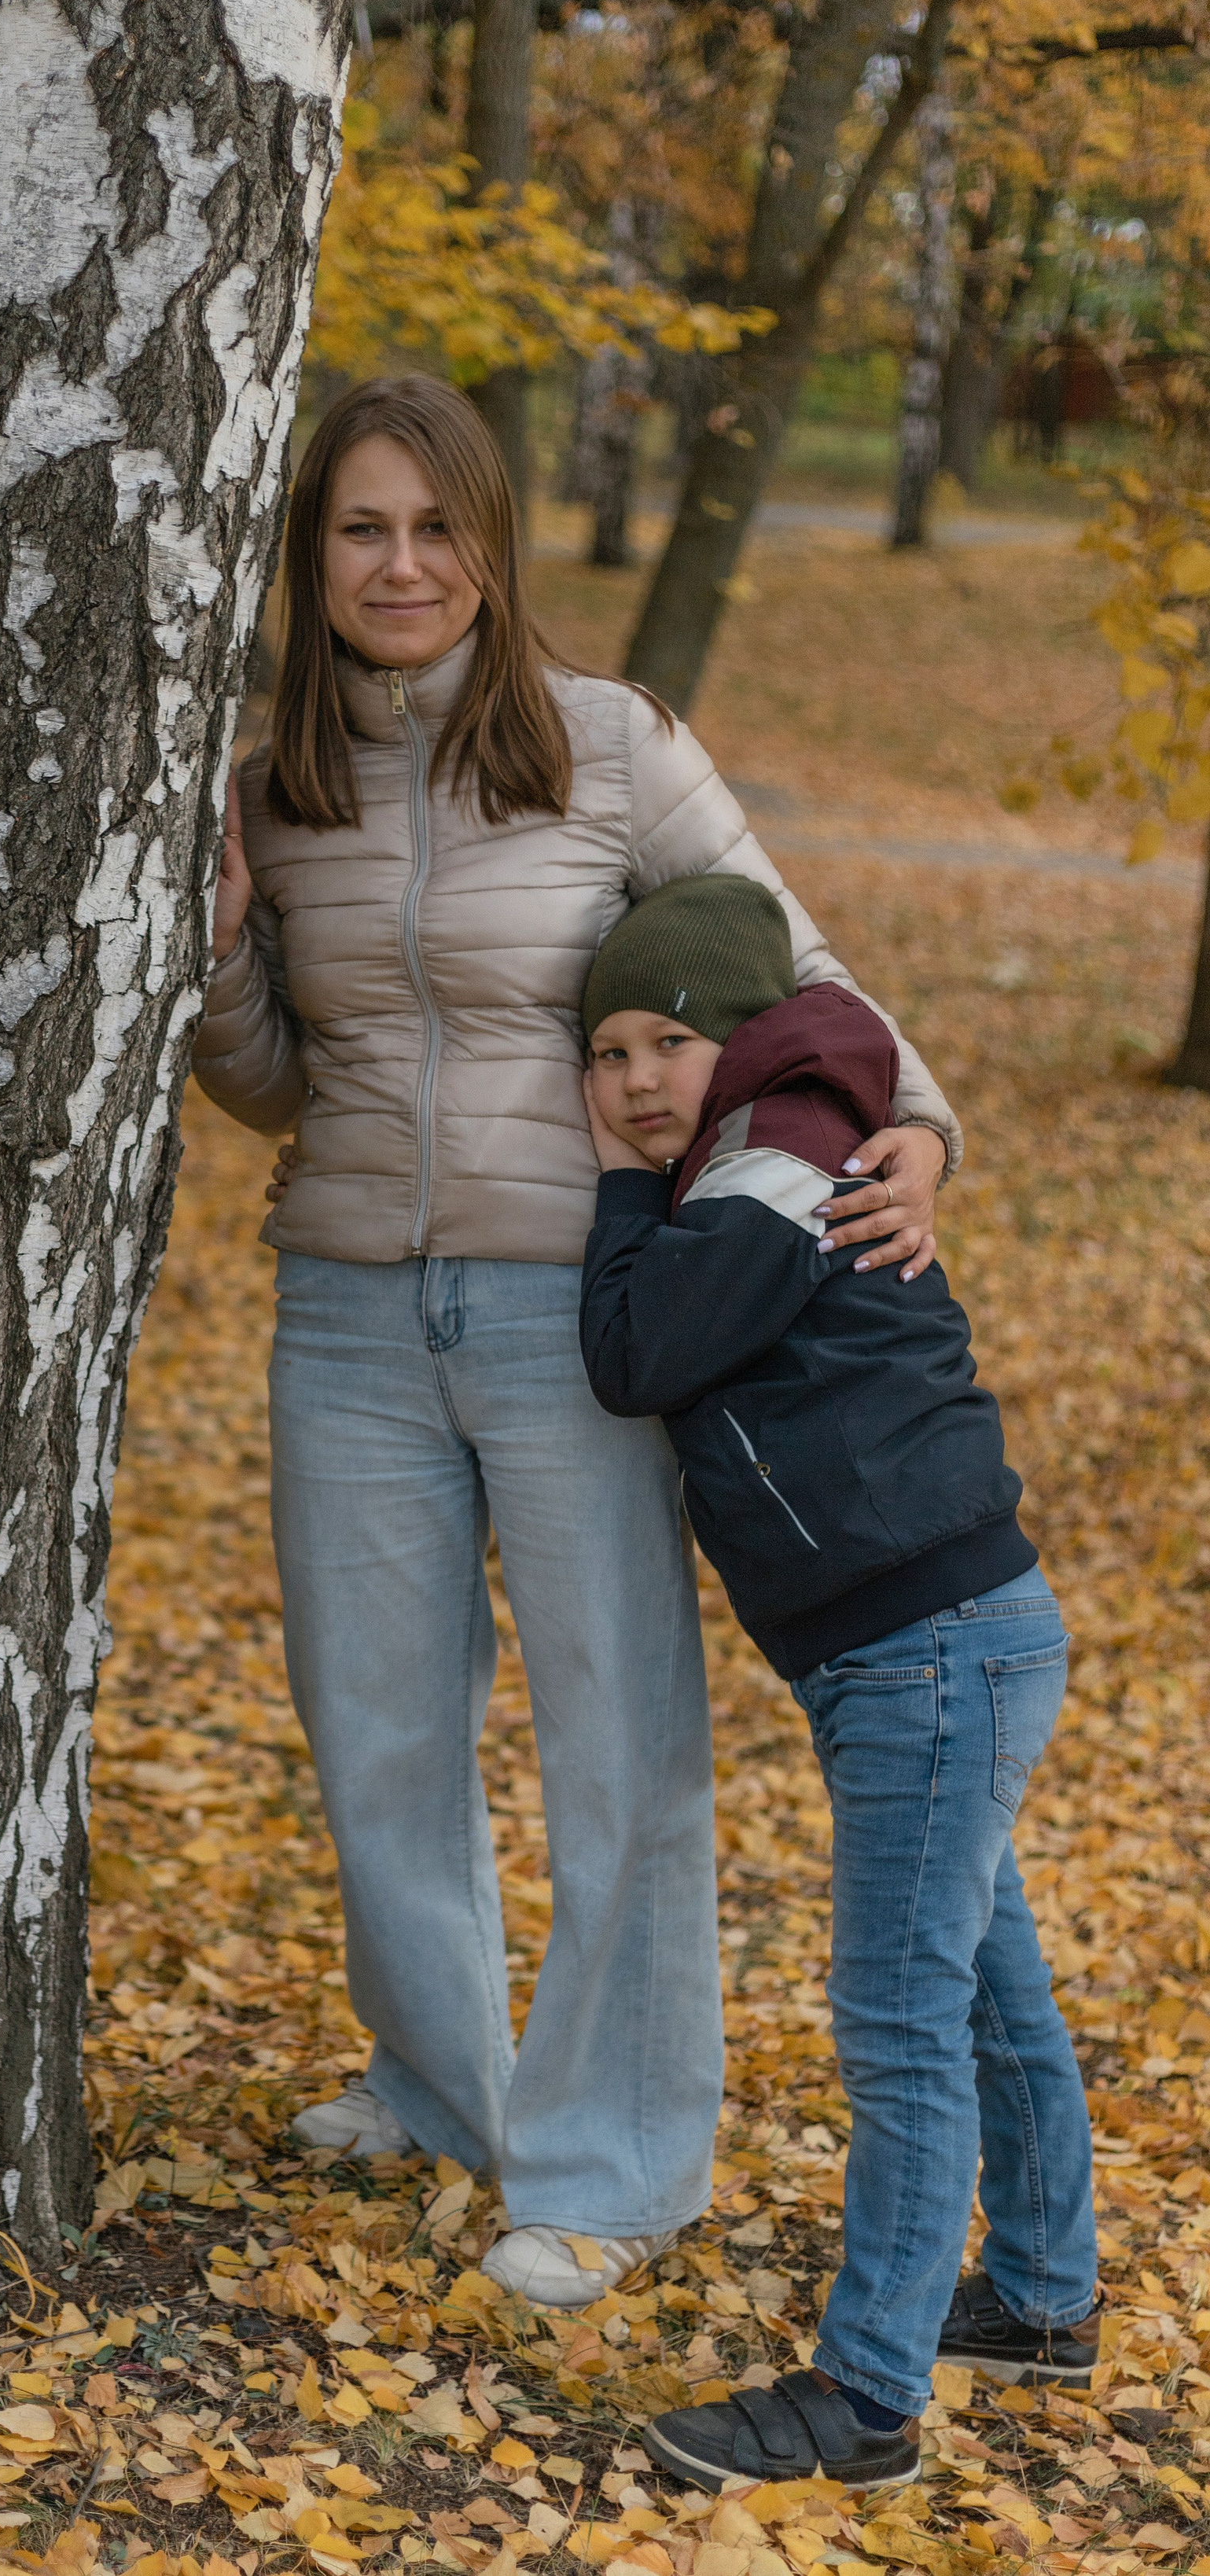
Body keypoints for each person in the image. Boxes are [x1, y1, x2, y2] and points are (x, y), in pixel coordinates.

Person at [189, 372, 962, 2313]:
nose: (397, 564)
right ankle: (444, 2087)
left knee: (615, 1741)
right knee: (373, 1734)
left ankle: (612, 2166)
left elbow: (804, 979)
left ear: (490, 541)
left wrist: (921, 1127)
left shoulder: (607, 746)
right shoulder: (272, 776)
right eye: (357, 529)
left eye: (432, 526)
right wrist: (205, 954)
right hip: (349, 1300)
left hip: (579, 1317)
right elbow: (279, 1082)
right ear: (309, 554)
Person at [576, 874, 1096, 2490]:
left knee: (894, 2014)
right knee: (983, 1983)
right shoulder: (776, 1137)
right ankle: (1037, 2291)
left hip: (921, 1641)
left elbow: (633, 1356)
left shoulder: (773, 1160)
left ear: (740, 1033)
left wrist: (610, 1192)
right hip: (933, 1630)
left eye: (670, 1037)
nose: (639, 1077)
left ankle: (863, 2395)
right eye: (605, 1053)